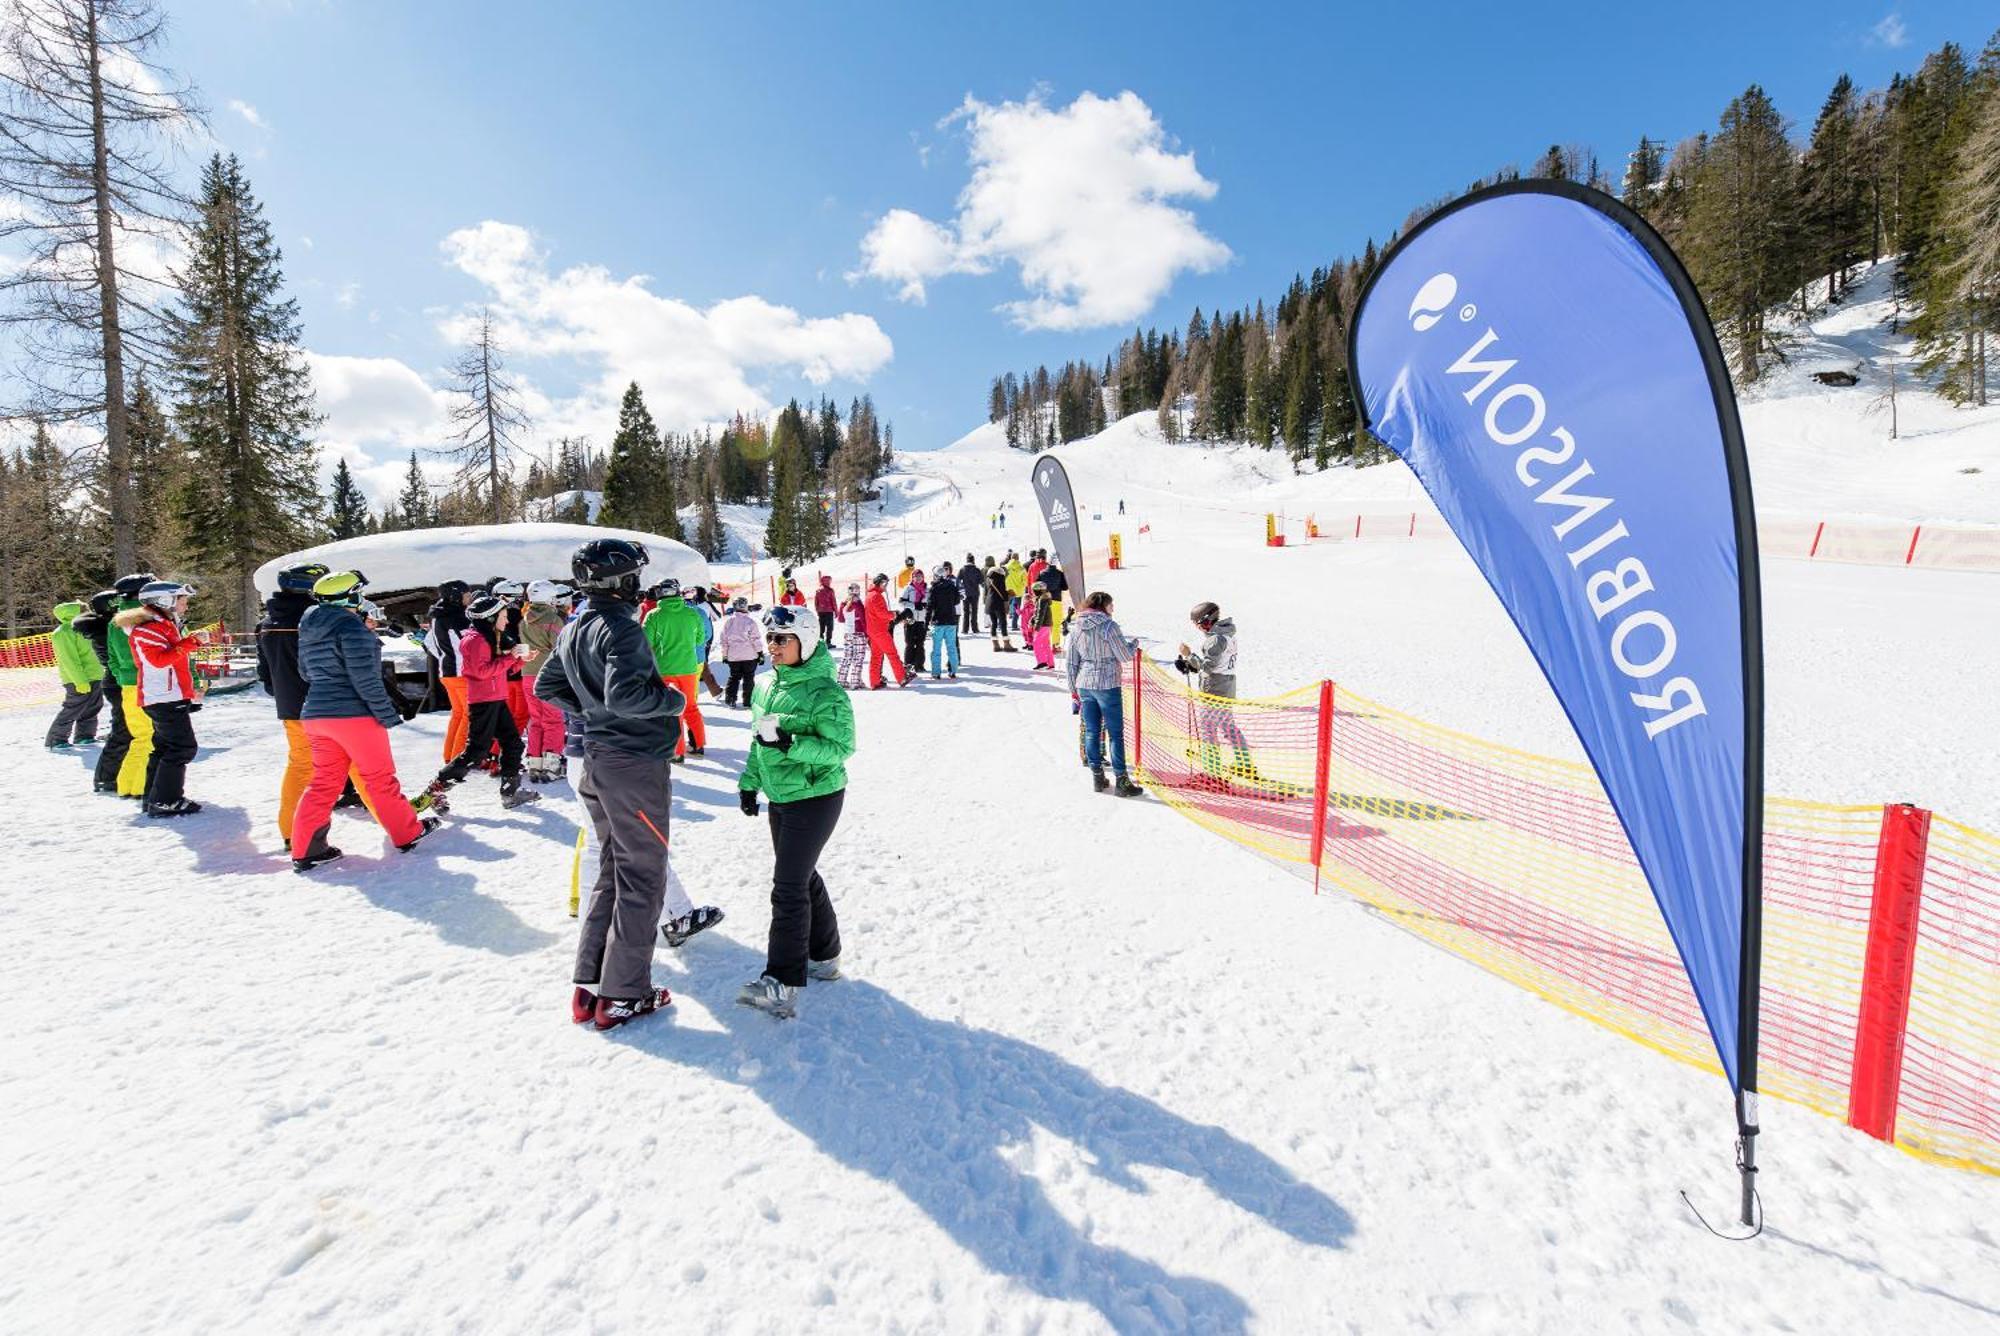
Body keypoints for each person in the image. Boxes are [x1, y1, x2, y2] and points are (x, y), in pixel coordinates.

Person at [535, 538, 684, 1030]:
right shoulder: (621, 628)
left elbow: (547, 686)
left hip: (600, 760)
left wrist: (592, 713)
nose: (640, 584)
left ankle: (592, 988)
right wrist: (671, 702)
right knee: (643, 876)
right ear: (621, 581)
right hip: (633, 763)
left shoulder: (576, 626)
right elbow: (626, 695)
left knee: (612, 871)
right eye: (635, 575)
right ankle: (623, 995)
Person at [736, 605, 855, 1018]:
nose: (773, 646)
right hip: (780, 796)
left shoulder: (826, 693)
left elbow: (841, 749)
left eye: (782, 639)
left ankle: (781, 983)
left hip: (816, 796)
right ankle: (825, 956)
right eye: (770, 639)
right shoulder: (766, 685)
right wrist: (750, 783)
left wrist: (791, 744)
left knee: (787, 887)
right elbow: (758, 739)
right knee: (802, 877)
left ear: (805, 642)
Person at [290, 571, 440, 871]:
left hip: (316, 714)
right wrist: (388, 714)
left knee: (323, 783)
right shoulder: (353, 629)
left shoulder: (309, 629)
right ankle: (407, 833)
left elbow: (306, 673)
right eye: (358, 593)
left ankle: (306, 849)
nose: (363, 599)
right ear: (348, 597)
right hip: (353, 716)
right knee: (378, 779)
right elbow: (366, 680)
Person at [436, 595, 539, 807]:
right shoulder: (476, 640)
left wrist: (520, 660)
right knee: (475, 752)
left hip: (496, 698)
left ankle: (510, 792)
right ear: (490, 618)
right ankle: (437, 787)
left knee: (513, 744)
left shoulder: (490, 637)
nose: (507, 621)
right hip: (484, 701)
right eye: (503, 616)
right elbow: (481, 672)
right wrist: (511, 657)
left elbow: (502, 669)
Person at [256, 561, 330, 843]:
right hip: (324, 703)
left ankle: (291, 830)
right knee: (354, 762)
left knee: (302, 765)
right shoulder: (314, 619)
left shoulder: (267, 622)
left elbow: (265, 672)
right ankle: (397, 819)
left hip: (291, 707)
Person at [118, 579, 203, 817]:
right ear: (164, 601)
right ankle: (165, 800)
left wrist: (190, 690)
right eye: (182, 600)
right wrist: (192, 642)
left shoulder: (164, 625)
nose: (185, 605)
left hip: (168, 695)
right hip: (163, 697)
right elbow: (159, 660)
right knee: (182, 748)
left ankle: (154, 797)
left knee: (165, 747)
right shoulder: (148, 629)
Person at [1066, 590, 1143, 797]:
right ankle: (1121, 780)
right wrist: (1134, 644)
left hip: (1085, 683)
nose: (1113, 609)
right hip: (1107, 683)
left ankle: (1097, 776)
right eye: (1111, 605)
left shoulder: (1077, 628)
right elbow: (1124, 655)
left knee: (1092, 730)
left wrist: (1073, 689)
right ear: (1102, 606)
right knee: (1115, 733)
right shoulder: (1109, 626)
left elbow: (1071, 661)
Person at [1175, 601, 1252, 777]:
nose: (1198, 628)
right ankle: (1244, 762)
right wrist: (1190, 665)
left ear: (1205, 621)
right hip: (1226, 685)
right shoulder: (1226, 634)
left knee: (1207, 728)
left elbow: (1208, 667)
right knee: (1227, 725)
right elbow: (1214, 664)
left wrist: (1189, 655)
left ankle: (1212, 770)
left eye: (1197, 624)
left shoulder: (1215, 639)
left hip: (1214, 689)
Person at [642, 578, 712, 761]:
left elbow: (646, 642)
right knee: (690, 707)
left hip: (665, 669)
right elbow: (700, 639)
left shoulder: (654, 615)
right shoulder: (692, 614)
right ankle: (698, 745)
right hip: (689, 667)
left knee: (671, 711)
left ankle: (676, 752)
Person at [101, 571, 155, 798]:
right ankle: (142, 785)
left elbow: (111, 657)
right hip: (147, 683)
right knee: (151, 737)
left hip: (127, 685)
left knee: (139, 736)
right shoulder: (145, 616)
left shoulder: (116, 620)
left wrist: (123, 675)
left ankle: (127, 785)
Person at [520, 580, 571, 782]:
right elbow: (559, 648)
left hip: (527, 674)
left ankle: (535, 762)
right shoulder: (553, 619)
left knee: (536, 719)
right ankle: (552, 765)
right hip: (549, 674)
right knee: (554, 719)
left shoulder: (524, 619)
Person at [46, 598, 105, 749]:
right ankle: (56, 738)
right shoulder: (64, 632)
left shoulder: (85, 628)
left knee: (93, 706)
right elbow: (69, 660)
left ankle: (85, 735)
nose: (88, 612)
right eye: (84, 610)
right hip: (77, 679)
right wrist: (79, 680)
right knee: (73, 708)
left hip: (94, 674)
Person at [426, 580, 474, 762]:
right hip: (461, 673)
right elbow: (470, 642)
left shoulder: (437, 615)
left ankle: (449, 756)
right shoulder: (457, 617)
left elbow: (428, 642)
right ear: (455, 596)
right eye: (467, 595)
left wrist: (443, 655)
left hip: (446, 672)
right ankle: (457, 758)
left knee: (458, 715)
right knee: (468, 717)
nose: (469, 599)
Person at [862, 574, 908, 688]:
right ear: (879, 583)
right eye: (884, 583)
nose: (885, 586)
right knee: (892, 654)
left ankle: (874, 682)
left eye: (886, 583)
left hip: (873, 630)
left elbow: (876, 612)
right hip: (880, 631)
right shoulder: (876, 596)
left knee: (876, 656)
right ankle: (902, 678)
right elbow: (881, 613)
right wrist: (893, 614)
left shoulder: (870, 595)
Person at [717, 595, 763, 707]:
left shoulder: (729, 622)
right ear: (746, 607)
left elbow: (724, 640)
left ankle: (730, 698)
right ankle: (748, 700)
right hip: (749, 656)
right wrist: (760, 653)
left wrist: (725, 655)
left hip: (734, 656)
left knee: (734, 677)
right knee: (749, 678)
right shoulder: (750, 622)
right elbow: (755, 639)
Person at [926, 562, 961, 679]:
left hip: (938, 622)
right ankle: (953, 670)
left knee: (936, 648)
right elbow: (957, 601)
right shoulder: (952, 586)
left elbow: (929, 607)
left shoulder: (934, 588)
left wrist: (926, 623)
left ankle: (936, 672)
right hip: (951, 621)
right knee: (951, 647)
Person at [835, 582, 868, 689]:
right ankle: (855, 681)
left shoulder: (844, 603)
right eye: (857, 590)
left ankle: (841, 680)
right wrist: (867, 633)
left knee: (847, 657)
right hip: (858, 633)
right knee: (858, 657)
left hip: (848, 633)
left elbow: (840, 619)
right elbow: (863, 620)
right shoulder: (858, 604)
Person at [900, 566, 929, 677]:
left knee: (920, 644)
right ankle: (908, 665)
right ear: (912, 578)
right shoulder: (908, 588)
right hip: (910, 619)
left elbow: (930, 603)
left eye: (920, 576)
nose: (918, 578)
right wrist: (914, 605)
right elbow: (901, 602)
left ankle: (919, 665)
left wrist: (926, 606)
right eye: (916, 576)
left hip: (921, 619)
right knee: (910, 643)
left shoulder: (927, 589)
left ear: (923, 577)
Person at [1038, 555, 1069, 653]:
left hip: (1044, 601)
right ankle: (1055, 645)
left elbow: (1036, 585)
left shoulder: (1041, 573)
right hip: (1056, 601)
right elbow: (1065, 587)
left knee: (1045, 624)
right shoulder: (1060, 573)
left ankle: (1044, 645)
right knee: (1055, 624)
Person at [984, 559, 1015, 652]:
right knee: (1003, 623)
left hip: (989, 604)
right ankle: (1006, 644)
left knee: (994, 624)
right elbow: (1002, 593)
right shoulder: (999, 579)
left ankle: (995, 645)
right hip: (998, 604)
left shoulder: (988, 580)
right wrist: (1008, 594)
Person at [1028, 580, 1056, 670]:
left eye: (1034, 590)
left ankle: (1042, 662)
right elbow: (1038, 613)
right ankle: (1050, 663)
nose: (1033, 592)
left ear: (1038, 591)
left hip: (1043, 625)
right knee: (1045, 644)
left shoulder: (1042, 600)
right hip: (1047, 624)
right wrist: (1032, 619)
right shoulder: (1043, 599)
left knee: (1036, 643)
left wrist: (1036, 627)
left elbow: (1041, 614)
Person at [957, 555, 981, 636]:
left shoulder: (962, 569)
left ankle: (965, 629)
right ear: (973, 560)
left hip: (965, 593)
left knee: (966, 611)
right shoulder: (977, 570)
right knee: (974, 611)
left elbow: (958, 580)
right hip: (975, 593)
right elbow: (981, 580)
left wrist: (961, 589)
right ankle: (975, 628)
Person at [812, 573, 838, 647]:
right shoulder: (830, 590)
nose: (829, 582)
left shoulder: (818, 590)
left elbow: (816, 602)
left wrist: (817, 610)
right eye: (829, 581)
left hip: (821, 611)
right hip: (829, 611)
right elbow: (833, 601)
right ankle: (828, 642)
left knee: (821, 627)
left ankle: (820, 642)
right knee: (830, 627)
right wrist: (836, 611)